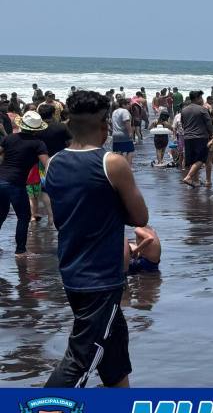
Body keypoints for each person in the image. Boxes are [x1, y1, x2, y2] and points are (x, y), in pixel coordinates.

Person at [45, 90, 149, 388]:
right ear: (105, 126)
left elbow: (59, 217)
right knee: (80, 361)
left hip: (71, 270)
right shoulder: (112, 163)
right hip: (101, 278)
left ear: (69, 125)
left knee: (115, 361)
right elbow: (140, 217)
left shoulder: (54, 162)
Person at [0, 110, 50, 255]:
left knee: (1, 215)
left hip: (1, 180)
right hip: (16, 184)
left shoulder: (9, 138)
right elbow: (47, 164)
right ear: (36, 129)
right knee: (23, 217)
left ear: (22, 125)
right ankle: (21, 251)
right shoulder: (38, 144)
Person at [180, 91, 213, 188]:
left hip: (187, 137)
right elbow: (209, 124)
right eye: (201, 98)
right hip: (200, 137)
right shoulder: (202, 110)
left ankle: (195, 181)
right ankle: (188, 177)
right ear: (197, 98)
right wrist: (211, 135)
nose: (202, 100)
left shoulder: (184, 110)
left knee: (193, 160)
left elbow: (183, 123)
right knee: (201, 159)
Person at [110, 98, 135, 164]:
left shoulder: (114, 112)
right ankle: (128, 167)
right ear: (123, 105)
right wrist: (130, 132)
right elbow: (126, 121)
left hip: (115, 134)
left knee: (118, 152)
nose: (129, 105)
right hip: (124, 134)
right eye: (128, 104)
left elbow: (112, 123)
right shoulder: (124, 111)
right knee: (130, 151)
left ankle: (118, 167)